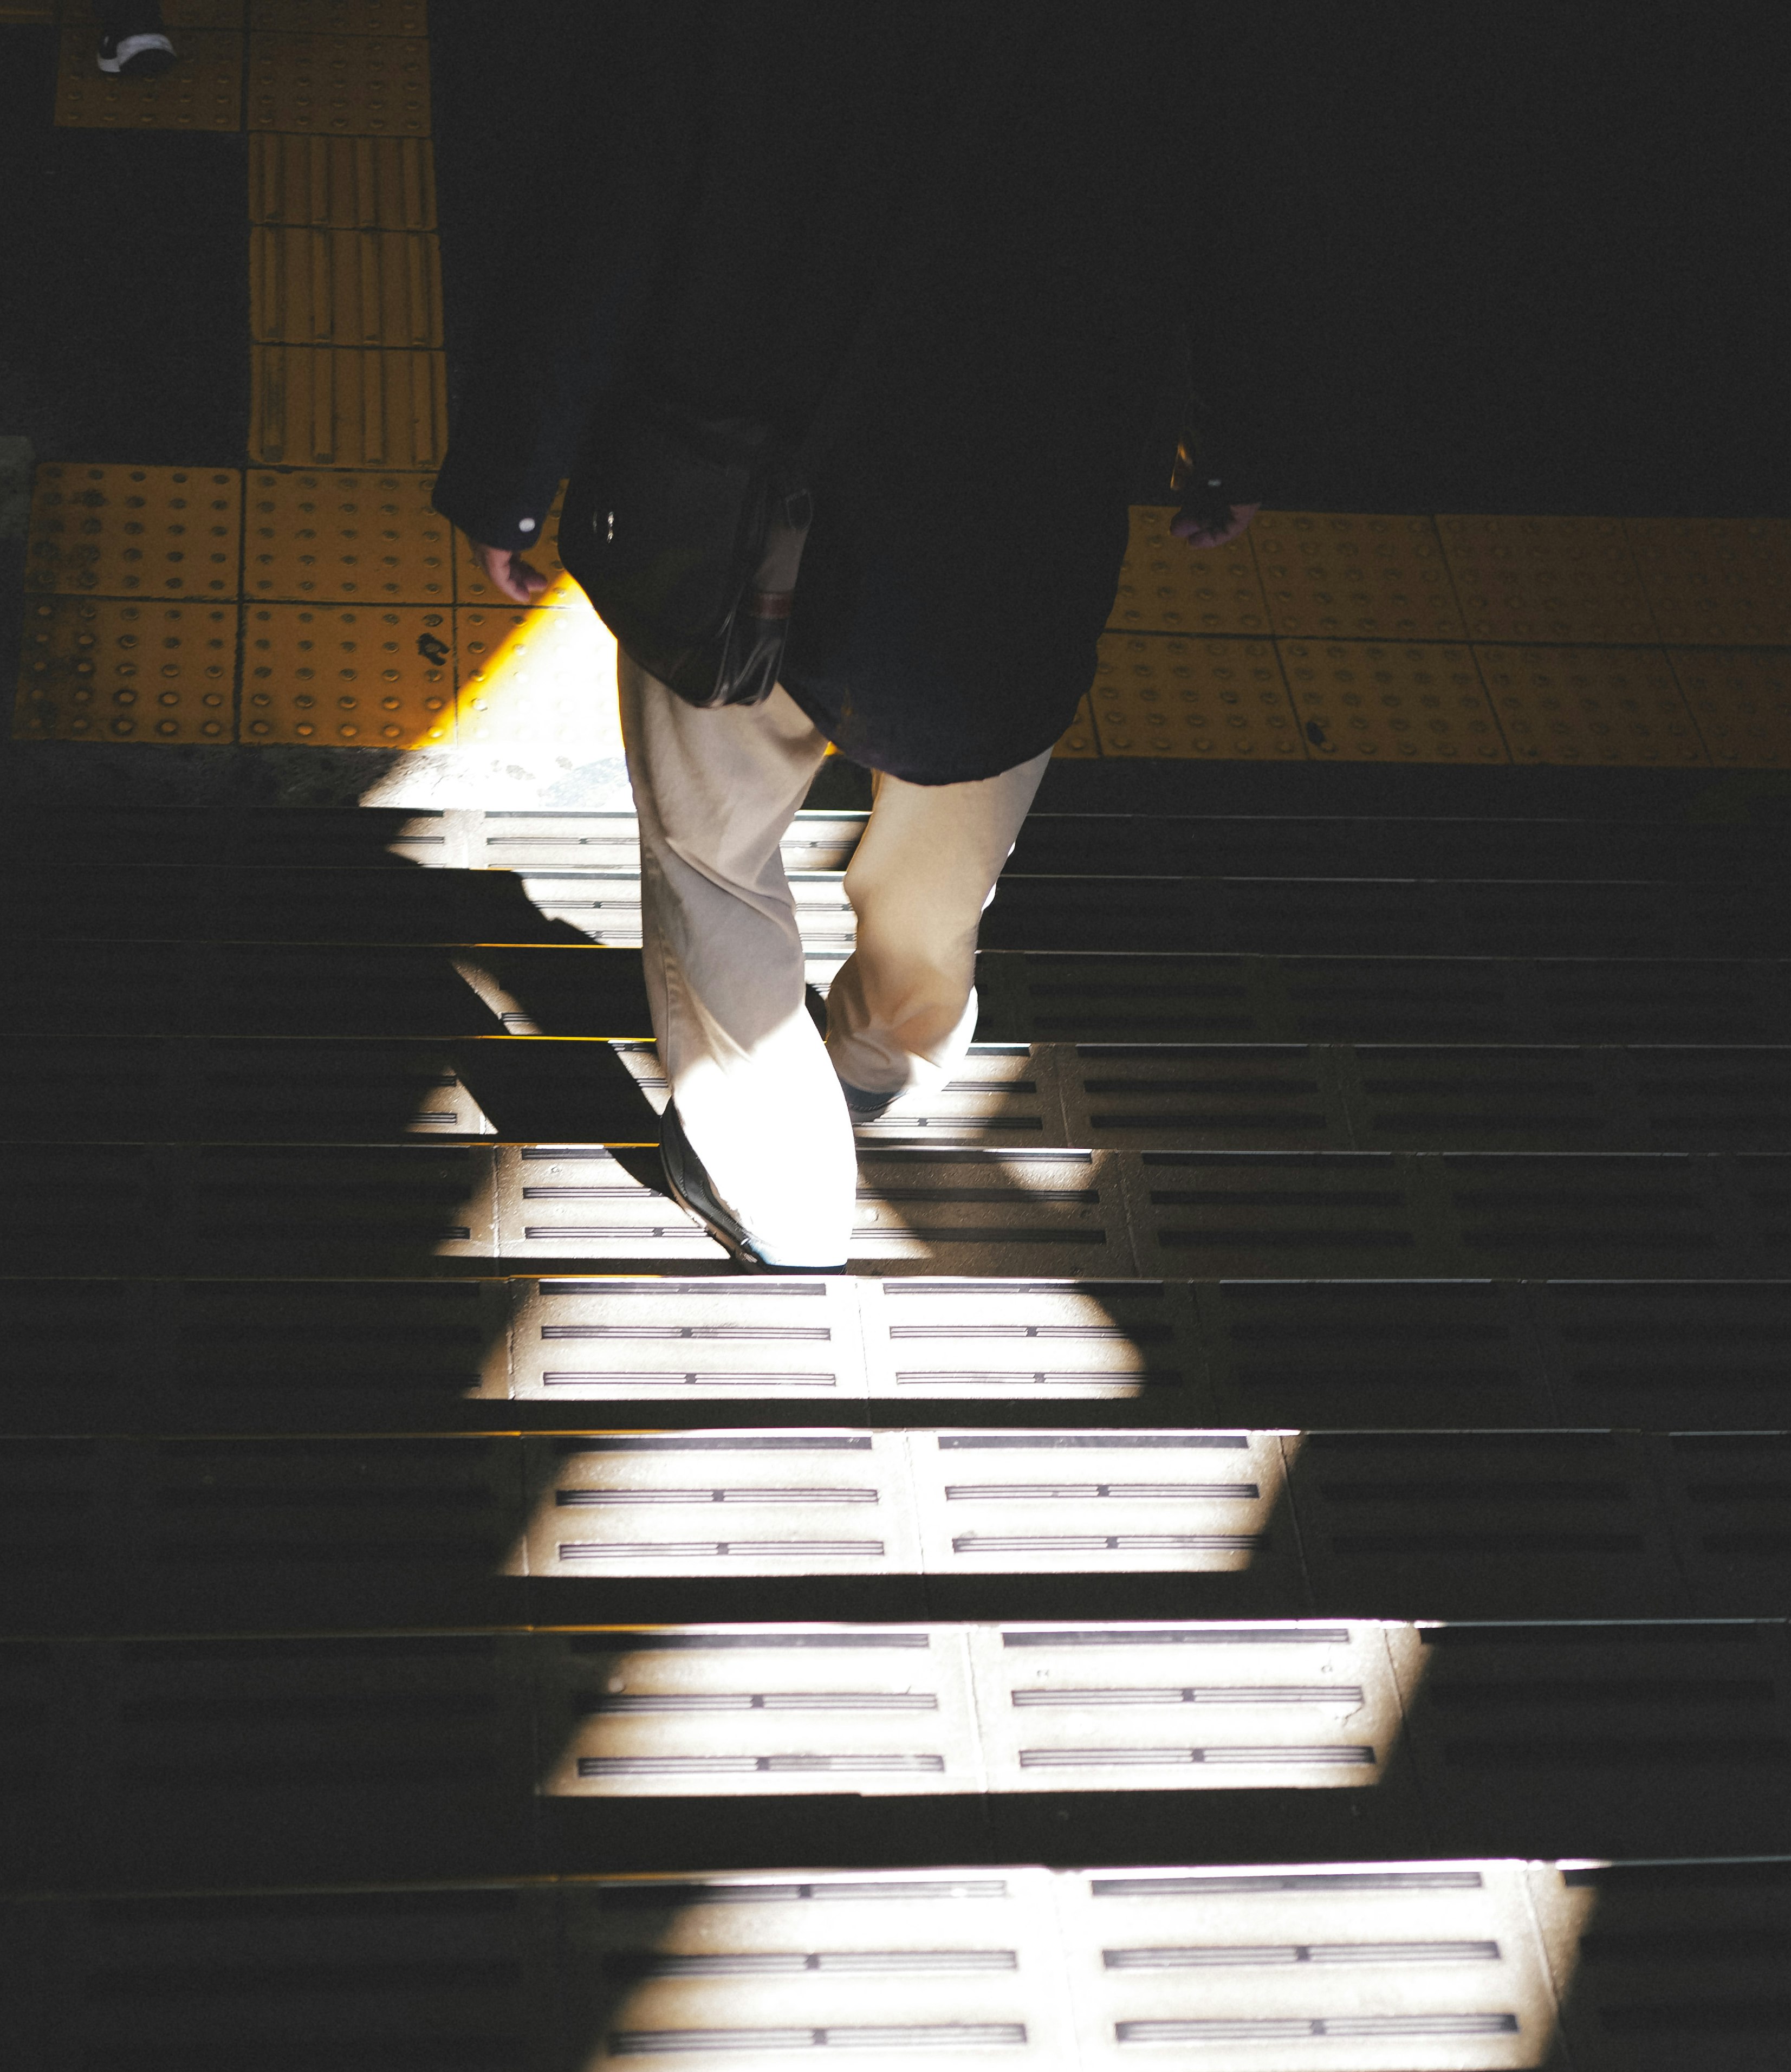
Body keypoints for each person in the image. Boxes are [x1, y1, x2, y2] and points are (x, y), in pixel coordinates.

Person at [433, 5, 1275, 1270]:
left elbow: (604, 207)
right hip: (1016, 517)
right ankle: (891, 1045)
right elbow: (1238, 209)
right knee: (952, 830)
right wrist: (1244, 433)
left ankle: (778, 1182)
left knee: (713, 850)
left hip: (738, 501)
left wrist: (512, 468)